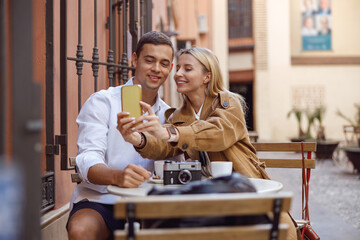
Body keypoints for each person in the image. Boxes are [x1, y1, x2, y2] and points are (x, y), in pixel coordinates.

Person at [117, 47, 299, 240]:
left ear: (207, 77)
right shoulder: (178, 116)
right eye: (178, 68)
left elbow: (218, 133)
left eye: (187, 69)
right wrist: (137, 139)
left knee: (281, 230)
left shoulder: (228, 104)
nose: (178, 74)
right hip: (205, 195)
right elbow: (164, 146)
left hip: (244, 189)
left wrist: (168, 132)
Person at [66, 31, 175, 240]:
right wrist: (117, 176)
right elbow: (87, 158)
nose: (156, 69)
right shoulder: (103, 101)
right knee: (81, 230)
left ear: (170, 68)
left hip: (153, 205)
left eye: (163, 63)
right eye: (149, 60)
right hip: (102, 200)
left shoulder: (170, 115)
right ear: (135, 59)